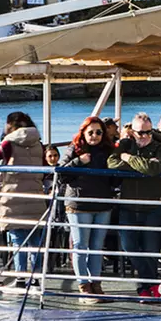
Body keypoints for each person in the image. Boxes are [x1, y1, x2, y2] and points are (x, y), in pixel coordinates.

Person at [0, 111, 49, 280]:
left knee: (18, 241)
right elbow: (44, 168)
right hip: (36, 196)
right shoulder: (38, 144)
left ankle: (21, 277)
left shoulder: (9, 143)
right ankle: (36, 277)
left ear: (11, 125)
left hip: (13, 197)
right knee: (35, 241)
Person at [60, 117, 120, 300]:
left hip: (102, 203)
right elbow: (61, 172)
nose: (94, 136)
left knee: (96, 246)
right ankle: (83, 284)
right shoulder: (74, 149)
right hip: (78, 204)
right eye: (91, 132)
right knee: (80, 244)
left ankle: (96, 282)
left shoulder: (108, 151)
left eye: (98, 132)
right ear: (83, 133)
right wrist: (79, 162)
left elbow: (116, 176)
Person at [113, 116, 161, 296]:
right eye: (140, 132)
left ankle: (144, 289)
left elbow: (155, 168)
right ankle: (153, 282)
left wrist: (128, 159)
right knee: (128, 246)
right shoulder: (125, 144)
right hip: (128, 205)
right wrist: (140, 164)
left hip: (152, 205)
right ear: (133, 132)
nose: (145, 136)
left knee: (151, 249)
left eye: (148, 132)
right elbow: (112, 163)